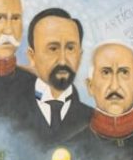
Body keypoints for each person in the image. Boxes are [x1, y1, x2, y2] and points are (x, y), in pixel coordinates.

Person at [65, 40, 133, 160]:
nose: (114, 86)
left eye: (124, 72)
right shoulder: (72, 151)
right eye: (106, 73)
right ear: (90, 86)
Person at [7, 8, 93, 144]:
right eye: (53, 49)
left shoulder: (94, 122)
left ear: (80, 55)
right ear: (32, 56)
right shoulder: (7, 114)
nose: (63, 60)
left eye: (70, 48)